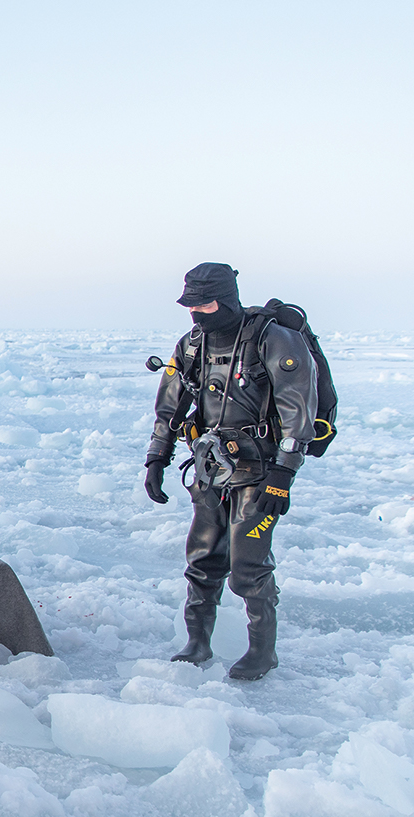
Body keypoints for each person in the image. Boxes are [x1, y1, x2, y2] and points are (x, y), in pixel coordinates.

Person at [144, 262, 318, 681]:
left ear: (226, 299)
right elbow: (170, 406)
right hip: (209, 470)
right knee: (202, 560)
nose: (196, 313)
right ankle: (197, 641)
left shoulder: (275, 341)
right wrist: (156, 458)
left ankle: (262, 652)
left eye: (204, 303)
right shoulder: (190, 347)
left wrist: (282, 475)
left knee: (248, 567)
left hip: (259, 475)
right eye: (191, 305)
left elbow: (299, 411)